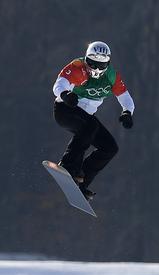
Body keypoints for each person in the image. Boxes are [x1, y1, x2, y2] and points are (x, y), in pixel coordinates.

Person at [52, 41, 135, 199]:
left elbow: (125, 97)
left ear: (107, 63)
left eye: (100, 65)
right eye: (92, 64)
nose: (96, 69)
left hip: (86, 116)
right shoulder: (78, 68)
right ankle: (68, 166)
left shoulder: (111, 76)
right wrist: (65, 95)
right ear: (86, 59)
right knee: (90, 126)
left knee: (109, 147)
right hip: (65, 110)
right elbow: (59, 84)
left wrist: (127, 112)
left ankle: (81, 184)